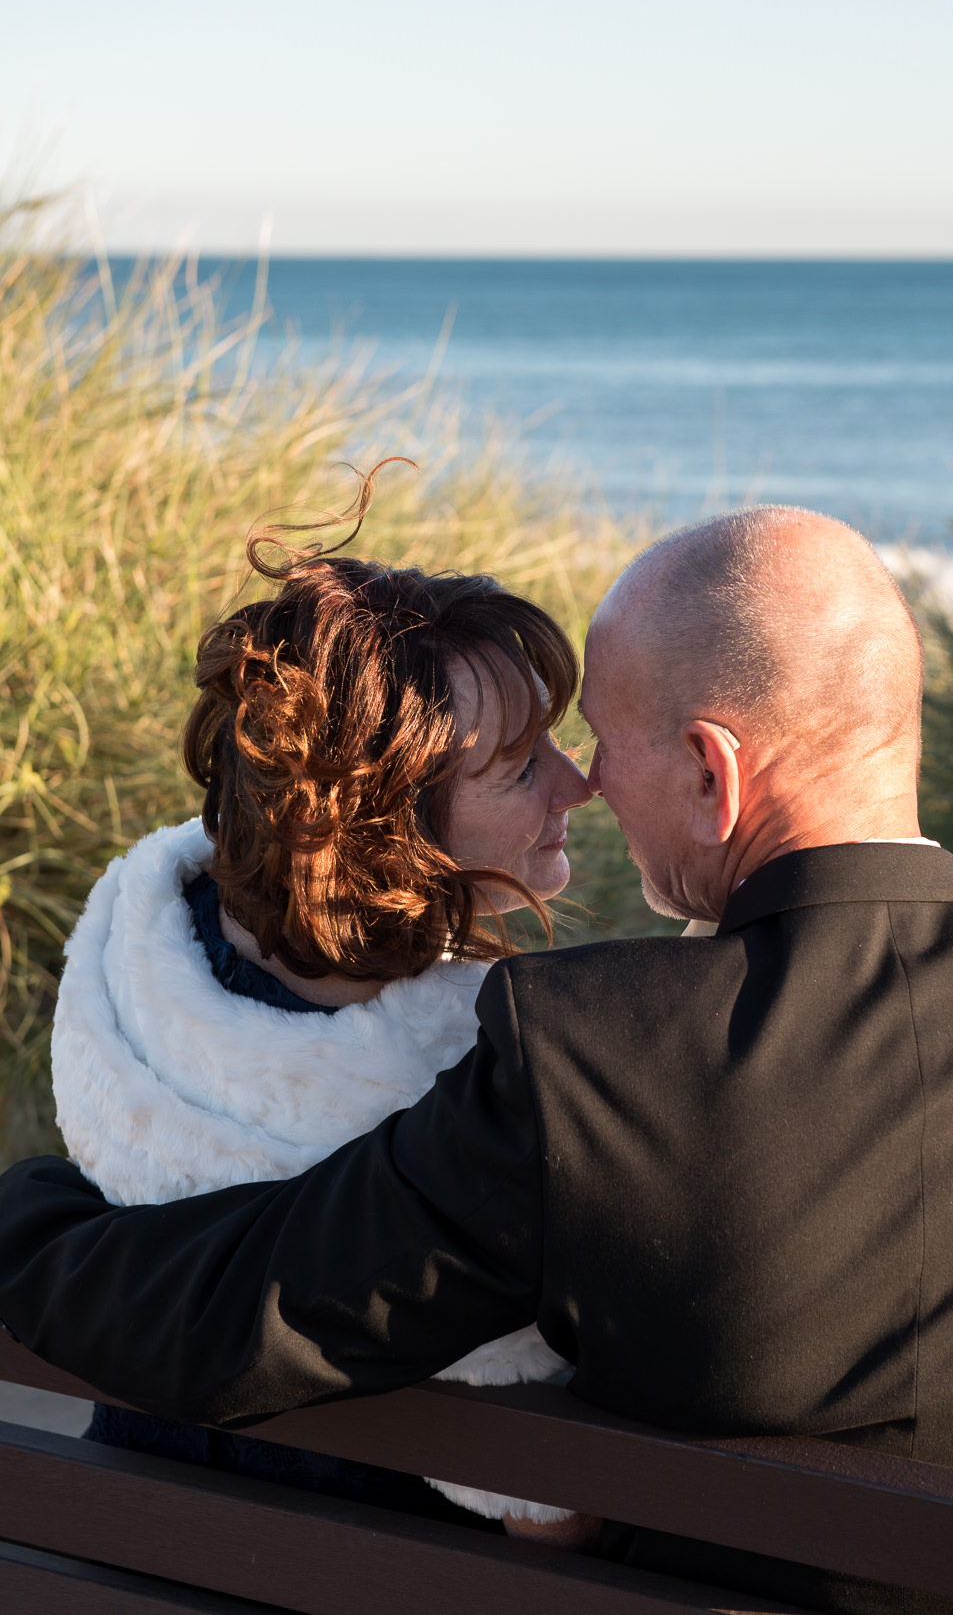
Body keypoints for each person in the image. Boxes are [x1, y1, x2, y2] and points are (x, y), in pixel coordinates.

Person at [4, 504, 953, 1615]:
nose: (589, 781)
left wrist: (38, 1214)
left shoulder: (594, 1051)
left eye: (606, 740)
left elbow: (250, 1316)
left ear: (711, 774)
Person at [48, 475, 594, 1544]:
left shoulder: (142, 975)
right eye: (526, 766)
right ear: (392, 829)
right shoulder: (489, 1090)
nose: (581, 784)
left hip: (117, 1553)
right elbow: (557, 1516)